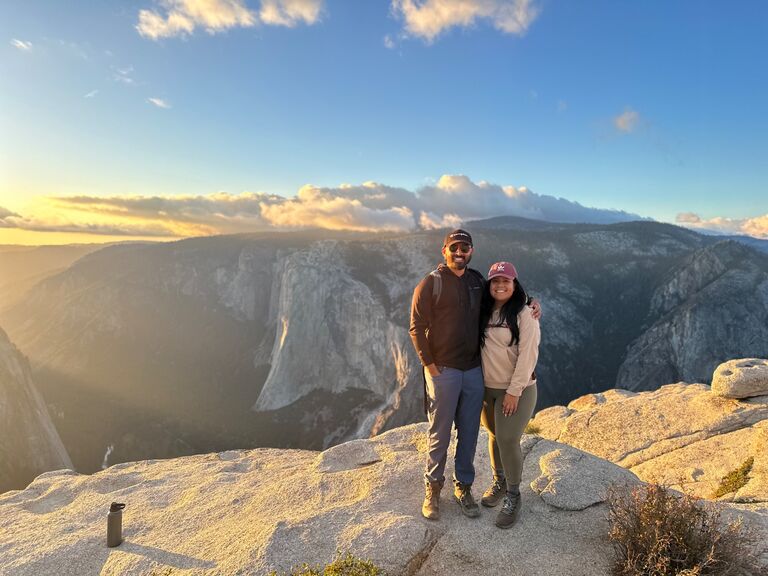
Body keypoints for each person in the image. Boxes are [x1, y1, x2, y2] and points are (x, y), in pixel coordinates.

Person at [410, 230, 540, 521]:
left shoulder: (476, 282)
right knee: (440, 431)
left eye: (465, 248)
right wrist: (429, 365)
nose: (459, 252)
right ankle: (433, 488)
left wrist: (532, 302)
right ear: (444, 250)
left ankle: (464, 487)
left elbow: (503, 293)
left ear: (471, 251)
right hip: (442, 369)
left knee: (469, 432)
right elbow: (416, 327)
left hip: (473, 371)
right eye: (454, 247)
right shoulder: (430, 284)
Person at [478, 261, 540, 529]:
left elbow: (528, 355)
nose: (500, 285)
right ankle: (499, 481)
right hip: (485, 388)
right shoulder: (482, 309)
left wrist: (514, 392)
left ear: (514, 284)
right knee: (494, 435)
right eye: (495, 281)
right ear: (489, 285)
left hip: (518, 389)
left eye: (506, 280)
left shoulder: (525, 314)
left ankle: (514, 495)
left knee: (507, 438)